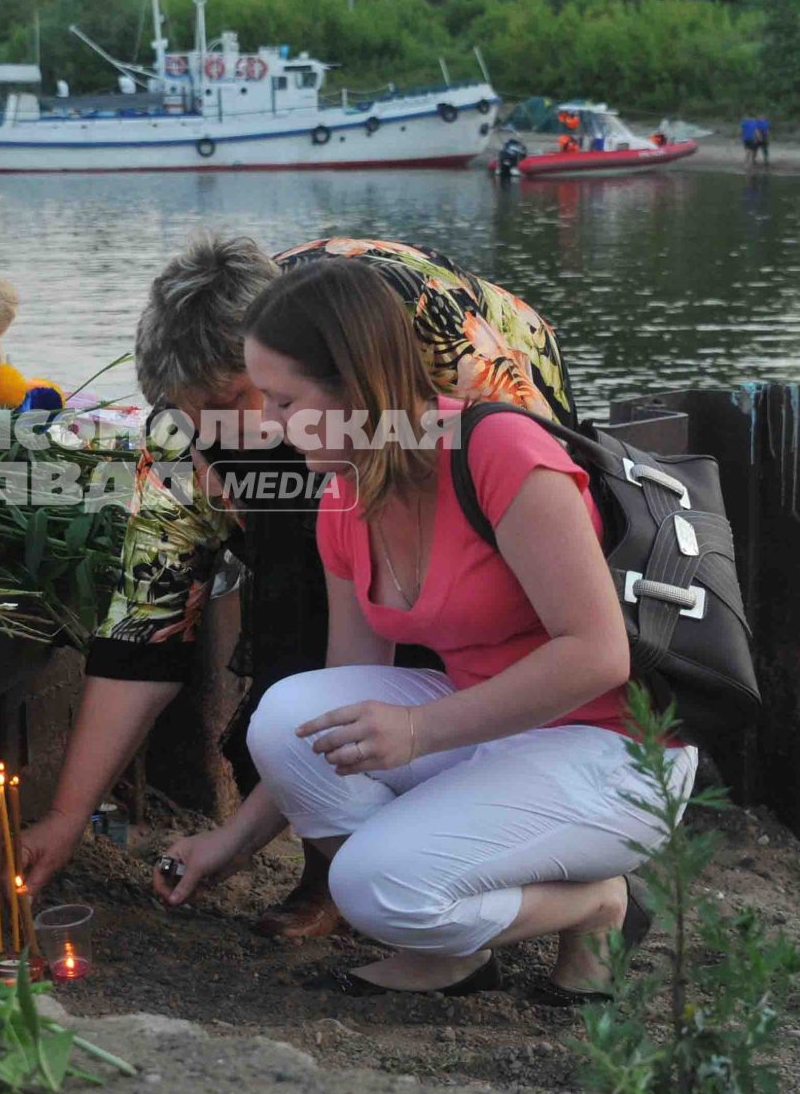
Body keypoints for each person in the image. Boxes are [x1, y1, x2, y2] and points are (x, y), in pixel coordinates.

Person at [153, 260, 697, 1001]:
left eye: (281, 400)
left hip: (615, 754)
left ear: (355, 385)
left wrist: (418, 729)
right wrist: (233, 841)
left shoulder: (500, 450)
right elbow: (332, 706)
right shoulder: (344, 494)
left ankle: (600, 902)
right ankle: (447, 944)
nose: (266, 425)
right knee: (290, 714)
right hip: (494, 731)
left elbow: (598, 655)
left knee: (372, 885)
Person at [19, 236, 576, 939]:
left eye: (231, 401)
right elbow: (145, 627)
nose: (219, 433)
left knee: (452, 610)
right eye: (192, 413)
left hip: (482, 403)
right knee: (288, 596)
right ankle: (332, 865)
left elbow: (549, 515)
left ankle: (495, 832)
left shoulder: (443, 351)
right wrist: (68, 817)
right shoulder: (193, 428)